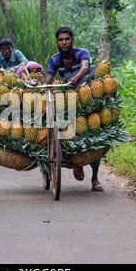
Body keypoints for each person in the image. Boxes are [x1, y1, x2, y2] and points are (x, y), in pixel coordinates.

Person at [45, 26, 103, 191]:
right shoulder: (54, 60)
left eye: (67, 39)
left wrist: (75, 78)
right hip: (69, 97)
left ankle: (95, 178)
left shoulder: (81, 53)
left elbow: (85, 67)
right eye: (61, 40)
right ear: (57, 42)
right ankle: (77, 163)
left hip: (87, 97)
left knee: (92, 134)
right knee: (66, 130)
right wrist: (42, 89)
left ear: (72, 40)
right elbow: (48, 79)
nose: (64, 43)